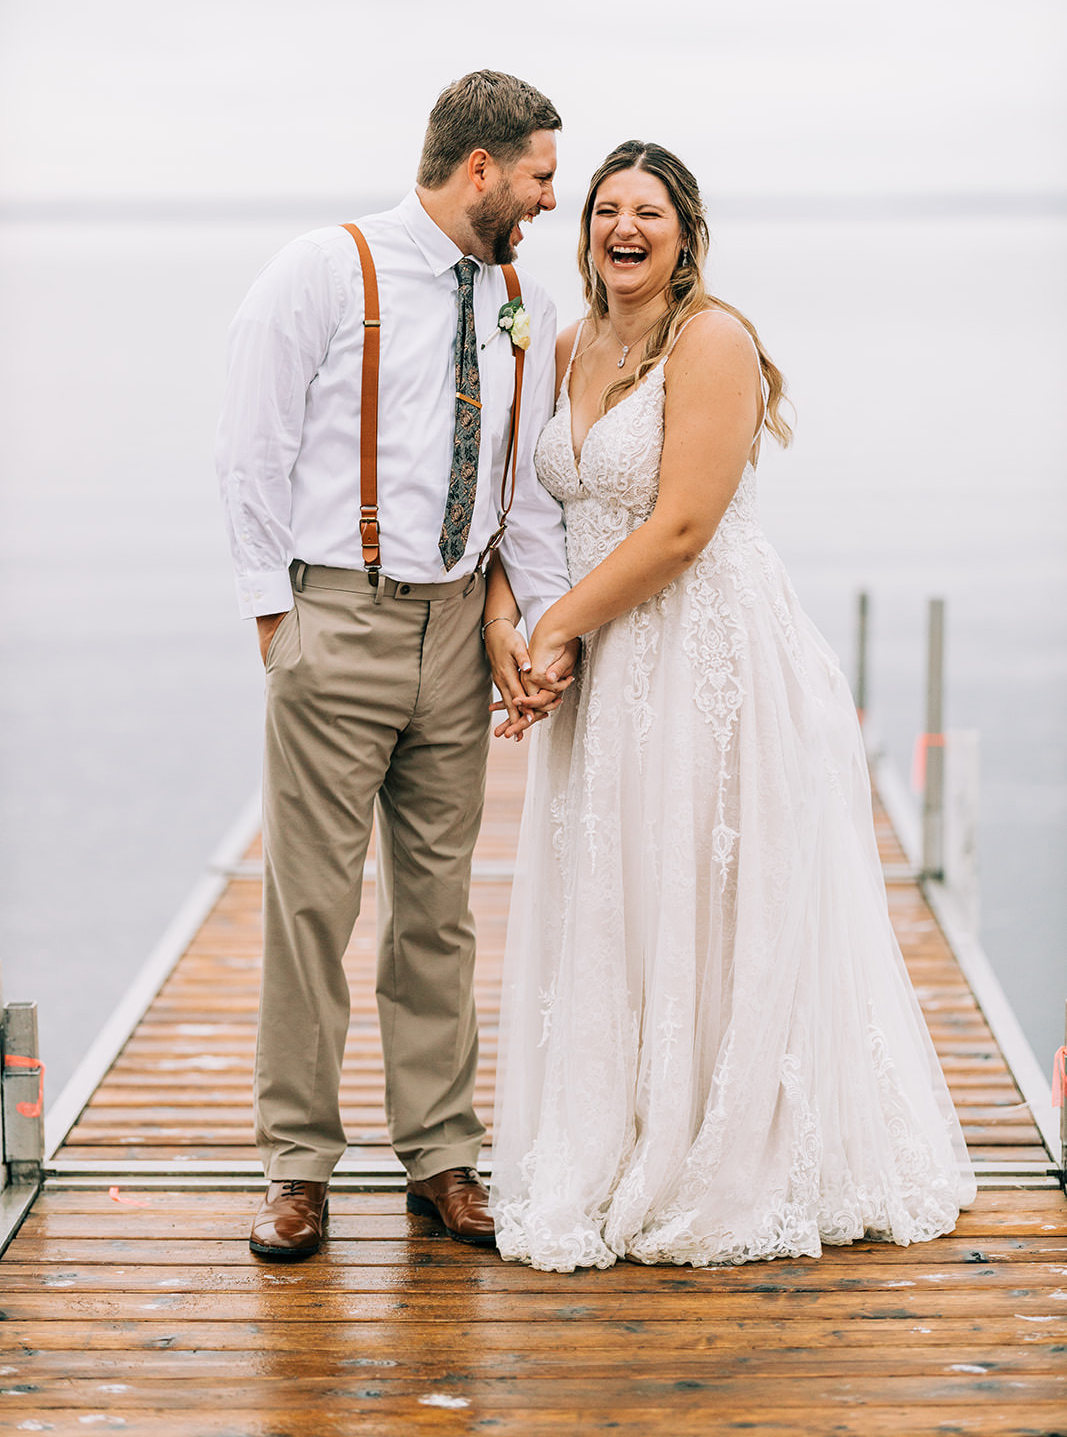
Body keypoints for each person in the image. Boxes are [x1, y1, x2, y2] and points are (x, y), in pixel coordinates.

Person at [482, 140, 977, 1272]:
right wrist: (523, 630)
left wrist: (558, 630)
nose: (622, 227)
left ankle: (729, 1144)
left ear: (685, 231)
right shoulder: (564, 344)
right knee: (628, 890)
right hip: (609, 662)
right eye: (604, 208)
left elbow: (682, 526)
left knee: (712, 891)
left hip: (709, 651)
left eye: (646, 211)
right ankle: (625, 1130)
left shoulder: (713, 341)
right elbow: (532, 510)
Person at [216, 71, 578, 1260]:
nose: (545, 200)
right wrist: (282, 626)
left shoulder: (512, 292)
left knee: (438, 914)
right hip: (339, 621)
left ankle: (439, 1156)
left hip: (457, 636)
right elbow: (251, 453)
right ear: (479, 169)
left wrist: (516, 622)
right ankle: (297, 1169)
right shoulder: (326, 270)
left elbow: (517, 480)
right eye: (536, 177)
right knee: (309, 908)